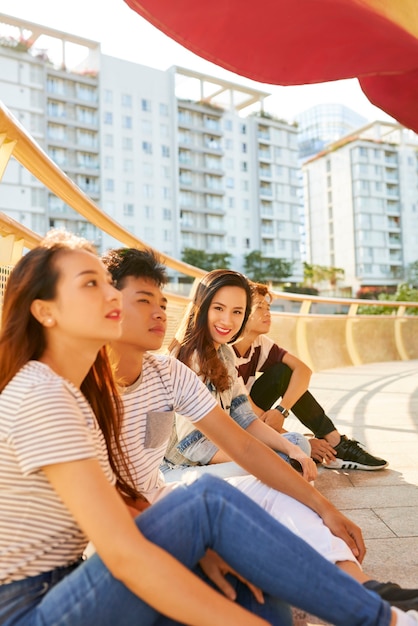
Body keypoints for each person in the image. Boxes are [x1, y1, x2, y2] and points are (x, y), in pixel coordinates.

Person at [1, 234, 414, 626]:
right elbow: (122, 551)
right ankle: (387, 619)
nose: (110, 295)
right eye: (92, 284)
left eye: (109, 285)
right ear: (45, 310)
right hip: (30, 606)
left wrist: (203, 545)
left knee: (249, 593)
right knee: (206, 503)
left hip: (73, 580)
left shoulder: (77, 387)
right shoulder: (44, 393)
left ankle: (364, 600)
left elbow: (240, 441)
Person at [103, 248, 418, 612]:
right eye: (145, 301)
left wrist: (322, 503)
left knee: (288, 464)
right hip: (174, 485)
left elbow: (244, 431)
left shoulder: (176, 369)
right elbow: (191, 450)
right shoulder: (105, 379)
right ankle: (348, 594)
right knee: (266, 480)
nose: (160, 311)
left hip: (164, 498)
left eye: (238, 311)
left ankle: (364, 586)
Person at [163, 268, 316, 481]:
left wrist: (291, 449)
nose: (227, 321)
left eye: (237, 312)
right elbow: (194, 447)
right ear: (202, 307)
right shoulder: (189, 359)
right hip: (179, 471)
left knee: (297, 444)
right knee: (279, 462)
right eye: (218, 308)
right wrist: (259, 456)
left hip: (213, 461)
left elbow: (245, 418)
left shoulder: (225, 354)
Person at [232, 281, 388, 470]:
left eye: (268, 307)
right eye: (259, 307)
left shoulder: (260, 343)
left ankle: (334, 441)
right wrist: (299, 443)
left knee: (283, 372)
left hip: (250, 415)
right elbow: (243, 412)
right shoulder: (226, 352)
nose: (267, 312)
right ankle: (331, 447)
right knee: (279, 379)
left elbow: (303, 370)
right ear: (239, 311)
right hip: (230, 424)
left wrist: (282, 410)